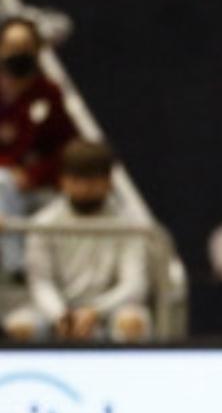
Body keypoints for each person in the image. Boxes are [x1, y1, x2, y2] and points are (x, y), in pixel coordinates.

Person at [2, 138, 151, 342]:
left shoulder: (130, 224)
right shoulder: (43, 223)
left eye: (91, 181)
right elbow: (41, 282)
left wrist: (95, 311)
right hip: (54, 310)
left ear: (108, 182)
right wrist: (61, 315)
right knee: (19, 327)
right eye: (76, 180)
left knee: (132, 323)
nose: (83, 189)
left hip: (109, 309)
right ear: (63, 181)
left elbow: (134, 285)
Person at [0, 15, 77, 281]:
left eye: (26, 46)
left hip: (34, 187)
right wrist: (9, 170)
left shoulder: (48, 93)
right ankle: (16, 266)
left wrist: (32, 175)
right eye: (11, 45)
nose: (18, 53)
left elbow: (67, 150)